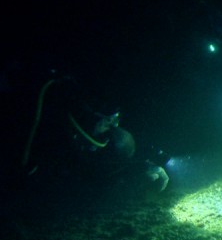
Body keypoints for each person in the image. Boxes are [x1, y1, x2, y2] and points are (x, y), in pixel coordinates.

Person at [11, 69, 169, 196]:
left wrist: (142, 166)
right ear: (89, 115)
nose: (113, 126)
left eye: (116, 119)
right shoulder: (50, 131)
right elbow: (74, 182)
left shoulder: (91, 135)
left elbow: (97, 168)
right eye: (108, 120)